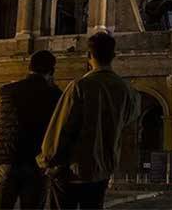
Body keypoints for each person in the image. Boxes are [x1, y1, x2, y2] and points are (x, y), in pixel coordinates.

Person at [39, 32, 141, 210]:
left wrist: (46, 160)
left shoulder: (79, 86)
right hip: (102, 170)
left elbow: (61, 127)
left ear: (89, 56)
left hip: (71, 170)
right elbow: (128, 120)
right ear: (113, 56)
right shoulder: (128, 91)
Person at [0, 50, 63, 210]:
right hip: (35, 162)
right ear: (51, 71)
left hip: (6, 158)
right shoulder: (55, 94)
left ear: (29, 67)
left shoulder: (7, 90)